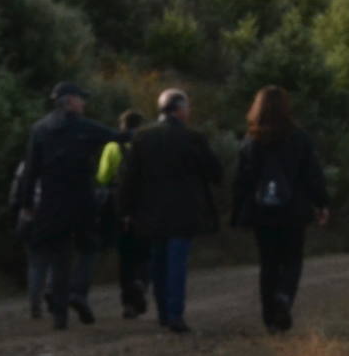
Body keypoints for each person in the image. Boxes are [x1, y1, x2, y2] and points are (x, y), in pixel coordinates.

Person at [119, 88, 222, 334]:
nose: (189, 111)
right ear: (178, 109)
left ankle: (164, 313)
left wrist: (126, 210)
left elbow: (129, 178)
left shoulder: (143, 137)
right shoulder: (193, 138)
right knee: (176, 263)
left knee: (158, 263)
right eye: (187, 107)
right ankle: (176, 314)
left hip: (151, 212)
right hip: (184, 211)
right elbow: (214, 172)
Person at [231, 85, 330, 334]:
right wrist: (322, 204)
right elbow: (313, 176)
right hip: (293, 210)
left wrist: (237, 212)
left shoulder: (251, 141)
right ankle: (284, 298)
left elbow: (241, 180)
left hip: (262, 211)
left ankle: (270, 319)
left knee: (269, 263)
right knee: (293, 259)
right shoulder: (299, 138)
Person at [18, 81, 117, 330]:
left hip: (51, 204)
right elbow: (116, 137)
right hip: (81, 200)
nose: (84, 103)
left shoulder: (40, 129)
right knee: (89, 248)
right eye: (81, 98)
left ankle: (60, 315)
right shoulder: (85, 126)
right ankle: (78, 291)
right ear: (70, 100)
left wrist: (27, 203)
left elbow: (31, 170)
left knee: (59, 257)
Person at [97, 109, 150, 318]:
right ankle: (142, 282)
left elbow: (102, 177)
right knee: (146, 249)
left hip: (118, 204)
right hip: (144, 203)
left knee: (125, 253)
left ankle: (128, 301)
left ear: (122, 125)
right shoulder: (148, 143)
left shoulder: (112, 146)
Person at [8, 159, 50, 318]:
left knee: (34, 263)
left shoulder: (24, 165)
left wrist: (15, 214)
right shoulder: (55, 163)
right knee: (54, 258)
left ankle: (35, 303)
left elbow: (14, 193)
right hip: (51, 217)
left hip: (28, 217)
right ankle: (50, 291)